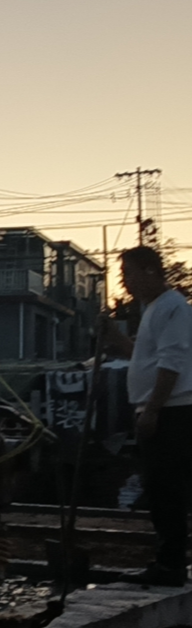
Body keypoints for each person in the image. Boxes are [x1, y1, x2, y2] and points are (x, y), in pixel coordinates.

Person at [103, 246, 192, 586]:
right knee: (158, 487)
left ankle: (171, 564)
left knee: (167, 487)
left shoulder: (173, 308)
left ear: (150, 270)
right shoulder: (154, 308)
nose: (124, 281)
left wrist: (153, 409)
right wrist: (114, 337)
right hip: (159, 408)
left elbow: (172, 363)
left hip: (172, 410)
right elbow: (144, 357)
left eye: (128, 273)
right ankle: (167, 559)